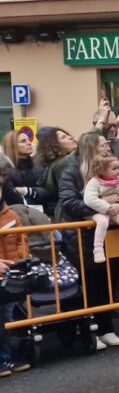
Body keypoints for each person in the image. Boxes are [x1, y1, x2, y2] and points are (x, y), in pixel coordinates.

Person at [58, 133, 119, 349]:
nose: (107, 147)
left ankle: (106, 328)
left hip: (108, 233)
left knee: (106, 283)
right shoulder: (72, 171)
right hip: (81, 236)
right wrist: (101, 203)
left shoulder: (111, 167)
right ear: (91, 147)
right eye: (103, 144)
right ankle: (85, 332)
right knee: (85, 285)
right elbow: (69, 202)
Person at [0, 154, 32, 378]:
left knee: (7, 316)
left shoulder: (9, 213)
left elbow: (22, 240)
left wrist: (21, 260)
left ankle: (6, 355)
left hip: (8, 273)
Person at [36, 126, 78, 217]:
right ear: (54, 145)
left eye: (67, 135)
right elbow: (87, 145)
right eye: (64, 137)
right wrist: (100, 123)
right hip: (70, 214)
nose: (70, 137)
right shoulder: (63, 163)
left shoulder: (68, 160)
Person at [2, 129, 49, 208]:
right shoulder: (6, 171)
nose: (29, 143)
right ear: (12, 147)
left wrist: (26, 191)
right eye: (23, 141)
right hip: (19, 211)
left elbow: (49, 192)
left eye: (28, 140)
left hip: (45, 209)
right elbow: (10, 197)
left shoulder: (40, 164)